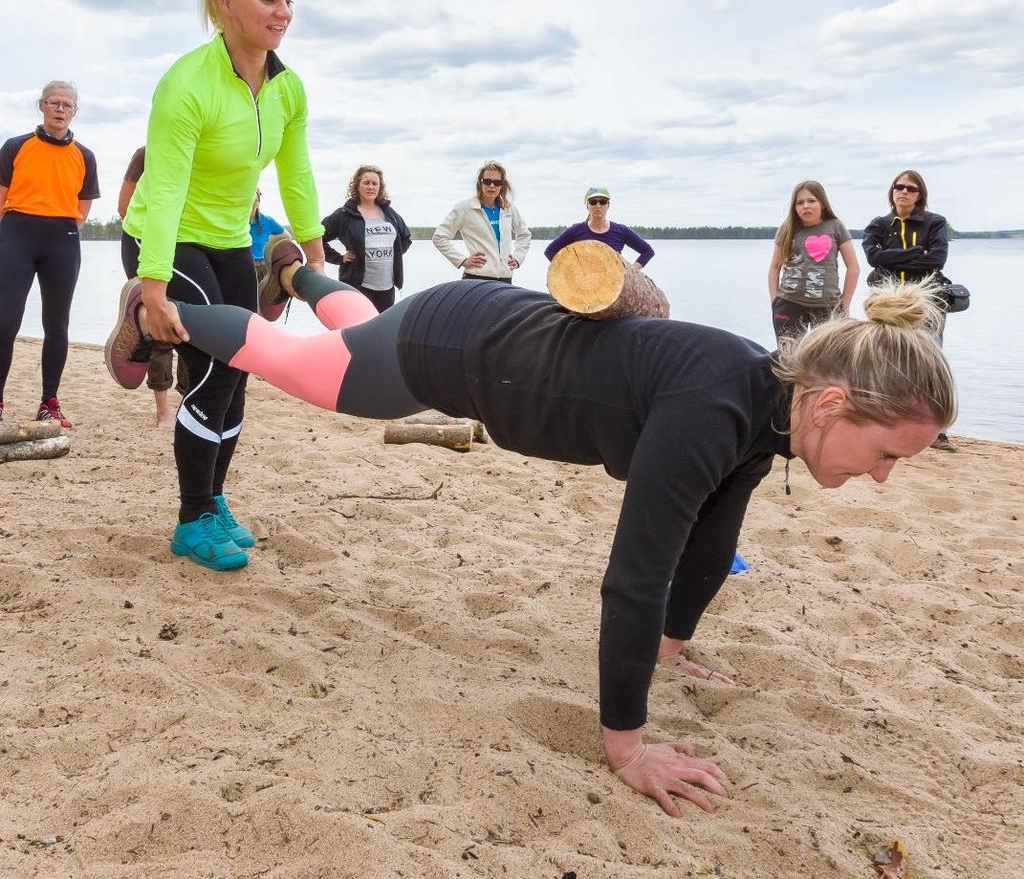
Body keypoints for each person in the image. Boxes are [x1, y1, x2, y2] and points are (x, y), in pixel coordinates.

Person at [106, 249, 955, 816]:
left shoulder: (769, 402)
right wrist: (627, 748)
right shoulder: (713, 407)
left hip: (477, 318)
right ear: (835, 402)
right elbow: (634, 574)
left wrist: (672, 643)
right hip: (454, 350)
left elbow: (713, 527)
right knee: (299, 366)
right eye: (886, 455)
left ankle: (294, 276)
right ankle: (161, 316)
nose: (881, 477)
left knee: (354, 329)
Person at [112, 0, 326, 571]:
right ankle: (191, 518)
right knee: (215, 369)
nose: (283, 11)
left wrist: (313, 252)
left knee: (243, 367)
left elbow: (297, 170)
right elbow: (168, 185)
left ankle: (211, 499)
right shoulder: (186, 84)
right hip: (165, 233)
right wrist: (152, 285)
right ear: (225, 3)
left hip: (230, 238)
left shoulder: (287, 89)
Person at [0, 81, 100, 427]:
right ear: (41, 106)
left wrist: (65, 226)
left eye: (67, 104)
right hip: (17, 234)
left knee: (57, 325)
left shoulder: (84, 155)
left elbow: (83, 206)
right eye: (54, 103)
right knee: (5, 322)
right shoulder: (15, 147)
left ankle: (49, 402)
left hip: (62, 239)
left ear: (75, 111)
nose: (60, 109)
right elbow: (2, 196)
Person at [862, 169, 955, 452]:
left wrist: (892, 260)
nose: (904, 191)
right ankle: (887, 419)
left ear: (920, 194)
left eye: (911, 188)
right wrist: (917, 253)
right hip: (888, 303)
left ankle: (938, 430)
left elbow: (936, 260)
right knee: (886, 358)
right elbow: (873, 257)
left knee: (929, 360)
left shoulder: (935, 223)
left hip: (926, 302)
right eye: (898, 186)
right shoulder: (879, 224)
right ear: (891, 192)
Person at [118, 146, 188, 427]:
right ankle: (163, 412)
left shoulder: (206, 152)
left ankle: (186, 402)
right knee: (162, 330)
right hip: (145, 242)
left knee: (189, 326)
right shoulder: (145, 154)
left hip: (189, 245)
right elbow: (124, 208)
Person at [768, 180, 859, 344]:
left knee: (828, 361)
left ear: (822, 204)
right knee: (790, 360)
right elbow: (775, 268)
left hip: (828, 306)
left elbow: (853, 268)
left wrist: (845, 303)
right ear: (794, 207)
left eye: (811, 201)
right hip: (789, 303)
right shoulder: (787, 228)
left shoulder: (835, 227)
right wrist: (775, 301)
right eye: (800, 202)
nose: (805, 206)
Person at [321, 165, 412, 312]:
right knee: (359, 329)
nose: (370, 187)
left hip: (387, 287)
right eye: (366, 183)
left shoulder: (389, 213)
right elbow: (318, 238)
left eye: (374, 183)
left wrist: (393, 256)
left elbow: (406, 238)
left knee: (383, 331)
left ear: (380, 187)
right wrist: (339, 258)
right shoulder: (345, 214)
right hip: (358, 285)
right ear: (357, 185)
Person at [433, 160, 530, 283]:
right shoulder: (465, 208)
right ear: (480, 182)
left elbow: (524, 234)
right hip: (476, 278)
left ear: (502, 185)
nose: (492, 186)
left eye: (497, 182)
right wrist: (462, 260)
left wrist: (517, 258)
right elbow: (439, 237)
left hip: (505, 278)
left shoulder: (508, 208)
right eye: (487, 181)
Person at [544, 186, 655, 266]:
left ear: (608, 206)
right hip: (583, 288)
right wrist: (568, 270)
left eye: (602, 202)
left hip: (613, 289)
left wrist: (631, 273)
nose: (598, 206)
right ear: (587, 206)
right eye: (593, 202)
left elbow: (648, 251)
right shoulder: (576, 230)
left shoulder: (621, 231)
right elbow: (549, 251)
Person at [249, 189, 285, 279]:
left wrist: (269, 240)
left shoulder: (267, 221)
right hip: (243, 269)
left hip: (264, 269)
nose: (253, 204)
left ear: (258, 203)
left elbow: (286, 236)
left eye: (256, 200)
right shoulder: (236, 223)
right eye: (250, 199)